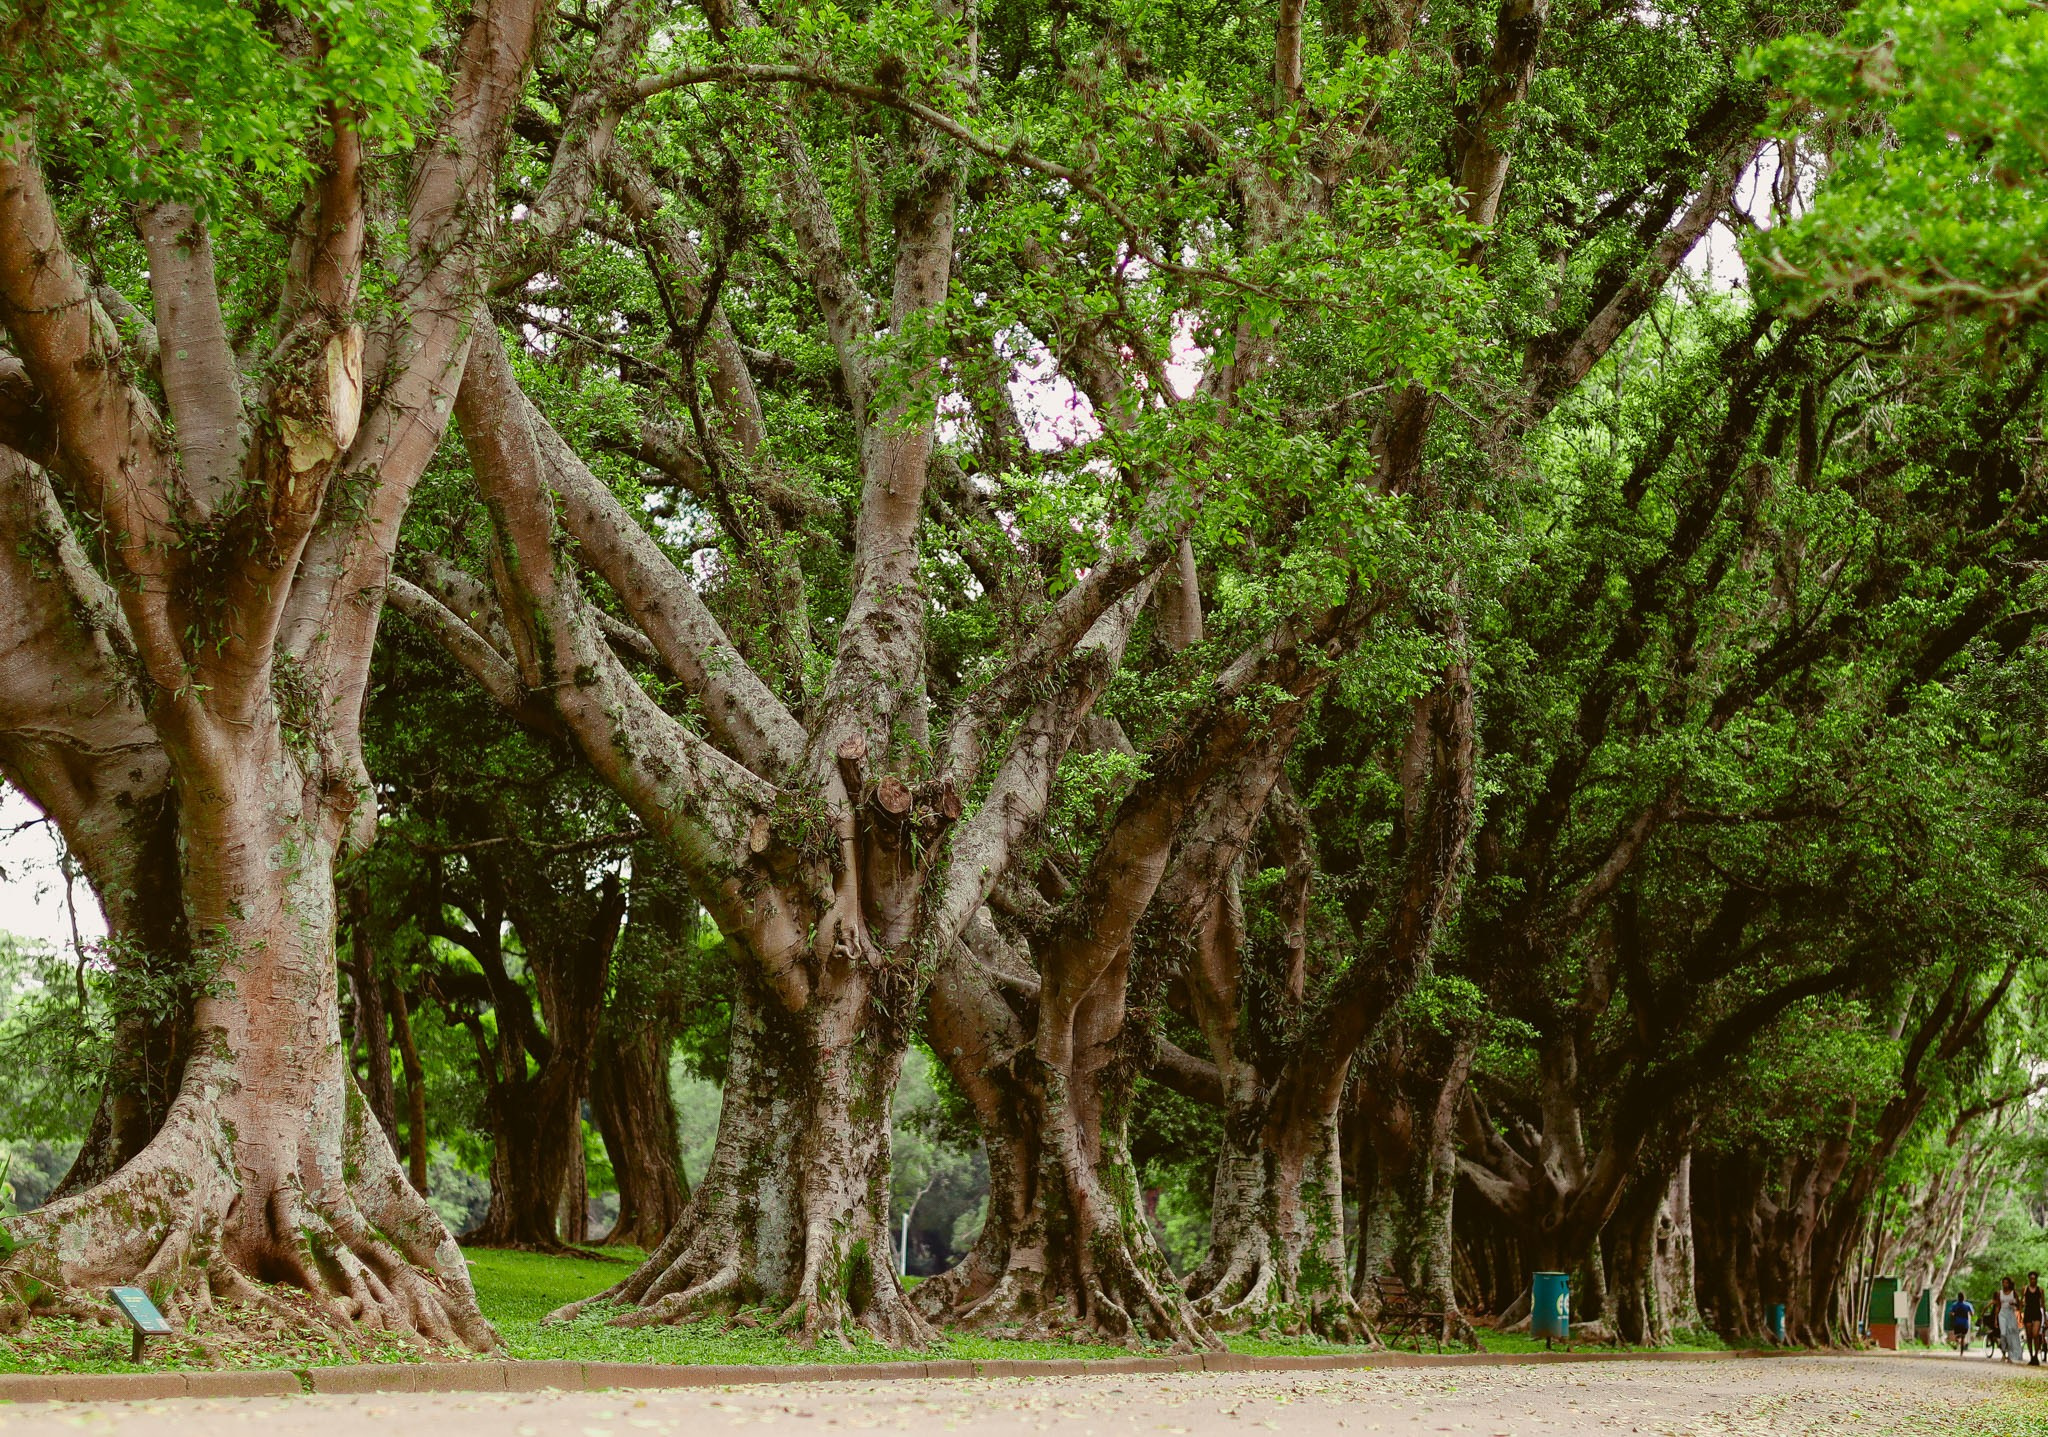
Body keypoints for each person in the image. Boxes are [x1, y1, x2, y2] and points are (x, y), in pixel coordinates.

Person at [2000, 1276, 2027, 1362]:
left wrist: (2014, 1304)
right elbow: (1997, 1306)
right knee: (2003, 1334)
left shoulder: (2013, 1293)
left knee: (2011, 1335)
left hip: (2011, 1314)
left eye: (2006, 1283)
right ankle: (2003, 1353)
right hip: (2002, 1314)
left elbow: (2019, 1305)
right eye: (2003, 1282)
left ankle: (2010, 1355)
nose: (2005, 1284)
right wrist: (1995, 1320)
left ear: (2009, 1284)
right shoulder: (1999, 1293)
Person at [1947, 1291, 1976, 1355]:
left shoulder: (1954, 1305)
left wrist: (1954, 1314)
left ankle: (1957, 1340)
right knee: (1963, 1337)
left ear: (1958, 1297)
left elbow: (1950, 1313)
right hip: (1965, 1324)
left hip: (1957, 1323)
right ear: (1964, 1298)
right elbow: (1972, 1314)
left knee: (1957, 1336)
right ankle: (1961, 1353)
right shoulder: (1968, 1305)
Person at [2026, 1272, 2045, 1365]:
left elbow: (2043, 1304)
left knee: (2035, 1334)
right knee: (2029, 1336)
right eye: (2031, 1278)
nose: (2033, 1280)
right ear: (2029, 1279)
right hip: (2028, 1313)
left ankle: (2036, 1355)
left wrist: (2045, 1318)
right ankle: (2031, 1356)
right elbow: (2023, 1302)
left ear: (2036, 1279)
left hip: (2037, 1313)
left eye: (2034, 1278)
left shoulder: (2040, 1290)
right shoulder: (2025, 1289)